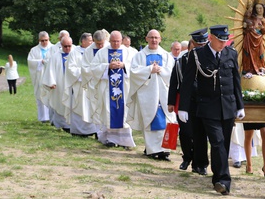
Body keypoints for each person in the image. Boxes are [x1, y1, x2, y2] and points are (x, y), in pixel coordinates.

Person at [178, 25, 245, 196]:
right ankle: (224, 180)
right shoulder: (198, 55)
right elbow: (187, 83)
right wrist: (183, 107)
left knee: (222, 144)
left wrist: (240, 105)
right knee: (217, 141)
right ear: (211, 38)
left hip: (228, 106)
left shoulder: (231, 53)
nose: (223, 44)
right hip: (208, 107)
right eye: (220, 41)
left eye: (225, 41)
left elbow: (236, 81)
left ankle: (217, 178)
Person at [127, 29, 175, 161]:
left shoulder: (166, 56)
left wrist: (160, 70)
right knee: (150, 120)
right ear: (146, 39)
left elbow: (172, 73)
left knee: (166, 121)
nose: (154, 40)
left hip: (164, 94)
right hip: (147, 95)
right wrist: (149, 69)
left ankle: (165, 150)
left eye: (156, 37)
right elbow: (134, 72)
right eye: (151, 37)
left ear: (160, 39)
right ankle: (152, 150)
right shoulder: (139, 55)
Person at [167, 28, 210, 174]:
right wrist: (171, 102)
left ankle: (201, 163)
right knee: (185, 132)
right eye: (197, 45)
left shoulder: (209, 59)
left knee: (201, 133)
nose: (200, 48)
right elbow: (174, 82)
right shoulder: (181, 61)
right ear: (192, 44)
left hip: (203, 100)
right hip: (185, 100)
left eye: (203, 45)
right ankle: (187, 158)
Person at [90, 31, 136, 149]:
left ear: (121, 41)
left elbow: (135, 67)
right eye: (113, 41)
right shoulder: (102, 52)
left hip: (124, 89)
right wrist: (107, 66)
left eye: (118, 41)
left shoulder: (128, 52)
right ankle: (110, 139)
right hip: (107, 89)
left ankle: (125, 141)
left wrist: (124, 65)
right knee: (108, 112)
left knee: (124, 112)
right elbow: (94, 68)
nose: (116, 44)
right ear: (109, 40)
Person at [63, 36, 100, 138]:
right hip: (80, 85)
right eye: (90, 40)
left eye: (92, 40)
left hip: (93, 84)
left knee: (94, 106)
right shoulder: (75, 52)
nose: (92, 42)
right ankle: (79, 131)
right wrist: (85, 73)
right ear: (83, 41)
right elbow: (71, 68)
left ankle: (96, 130)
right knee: (79, 106)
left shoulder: (96, 51)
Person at [41, 36, 75, 132]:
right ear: (61, 45)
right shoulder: (55, 56)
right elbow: (50, 70)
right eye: (65, 46)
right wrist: (51, 82)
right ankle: (61, 124)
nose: (67, 48)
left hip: (72, 85)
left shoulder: (75, 55)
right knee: (59, 103)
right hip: (59, 85)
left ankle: (71, 124)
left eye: (69, 46)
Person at [27, 31, 53, 123]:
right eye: (42, 40)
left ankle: (52, 117)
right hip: (40, 76)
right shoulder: (34, 50)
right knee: (41, 95)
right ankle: (43, 117)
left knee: (52, 96)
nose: (44, 42)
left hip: (50, 76)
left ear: (49, 39)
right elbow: (30, 61)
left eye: (46, 40)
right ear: (39, 40)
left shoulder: (53, 48)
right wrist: (39, 61)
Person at [241, 2, 265, 77]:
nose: (259, 10)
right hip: (249, 37)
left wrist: (261, 27)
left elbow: (264, 31)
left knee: (259, 54)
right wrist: (246, 26)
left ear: (263, 9)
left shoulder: (264, 19)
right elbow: (247, 24)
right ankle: (247, 68)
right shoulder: (252, 17)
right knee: (248, 53)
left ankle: (260, 67)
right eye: (257, 8)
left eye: (260, 8)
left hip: (258, 38)